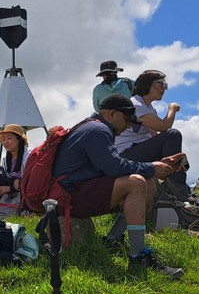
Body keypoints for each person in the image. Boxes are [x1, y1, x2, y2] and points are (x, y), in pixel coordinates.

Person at [53, 94, 185, 278]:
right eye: (127, 120)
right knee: (137, 182)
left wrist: (153, 166)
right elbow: (113, 167)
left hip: (75, 191)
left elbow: (111, 165)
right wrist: (151, 167)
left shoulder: (92, 126)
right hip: (70, 197)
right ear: (111, 114)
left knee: (147, 183)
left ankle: (113, 239)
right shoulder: (98, 131)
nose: (129, 126)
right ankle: (138, 256)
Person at [113, 70, 191, 202]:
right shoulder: (136, 104)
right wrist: (172, 108)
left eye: (165, 85)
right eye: (160, 83)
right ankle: (177, 187)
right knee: (173, 134)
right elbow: (164, 127)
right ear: (147, 84)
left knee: (173, 149)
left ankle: (175, 184)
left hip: (136, 151)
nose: (164, 88)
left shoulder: (149, 108)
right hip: (126, 154)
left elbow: (156, 134)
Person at [0, 124, 30, 211]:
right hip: (13, 185)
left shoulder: (28, 155)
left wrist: (11, 188)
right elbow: (8, 178)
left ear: (19, 140)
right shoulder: (5, 159)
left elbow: (30, 179)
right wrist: (12, 184)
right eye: (3, 139)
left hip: (26, 188)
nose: (5, 142)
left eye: (9, 138)